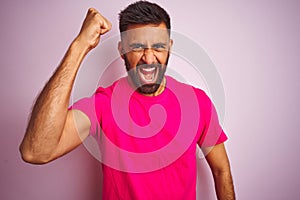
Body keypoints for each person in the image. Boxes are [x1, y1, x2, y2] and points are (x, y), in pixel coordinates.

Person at [19, 1, 235, 199]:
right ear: (122, 50)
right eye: (137, 47)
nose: (149, 59)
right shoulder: (102, 104)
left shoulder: (197, 102)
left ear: (169, 46)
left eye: (158, 47)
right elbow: (36, 151)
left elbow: (221, 170)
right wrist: (79, 46)